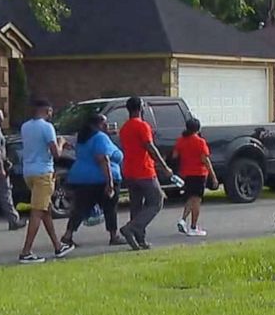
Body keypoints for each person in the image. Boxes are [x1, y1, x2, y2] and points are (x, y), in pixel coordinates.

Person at [19, 99, 73, 264]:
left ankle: (58, 246)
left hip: (28, 172)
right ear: (46, 110)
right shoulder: (47, 127)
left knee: (46, 210)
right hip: (43, 172)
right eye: (50, 111)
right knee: (37, 211)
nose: (51, 114)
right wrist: (62, 142)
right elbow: (56, 153)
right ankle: (26, 252)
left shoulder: (25, 127)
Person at [118, 96, 173, 250]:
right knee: (157, 200)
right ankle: (131, 227)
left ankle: (139, 239)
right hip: (144, 170)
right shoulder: (142, 126)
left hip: (129, 170)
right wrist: (164, 166)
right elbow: (149, 146)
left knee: (136, 205)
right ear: (141, 108)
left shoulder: (124, 128)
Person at [61, 114, 123, 248]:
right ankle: (114, 235)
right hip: (100, 178)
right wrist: (110, 182)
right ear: (98, 125)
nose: (107, 126)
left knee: (80, 208)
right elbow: (103, 160)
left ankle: (68, 235)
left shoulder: (82, 138)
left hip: (82, 178)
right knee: (110, 207)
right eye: (104, 124)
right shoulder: (100, 138)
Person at [173, 117, 218, 237]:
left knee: (190, 198)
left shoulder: (181, 140)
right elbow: (205, 159)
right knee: (197, 200)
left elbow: (175, 155)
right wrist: (213, 176)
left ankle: (183, 220)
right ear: (197, 129)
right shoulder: (200, 142)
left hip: (186, 173)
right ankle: (193, 226)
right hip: (199, 173)